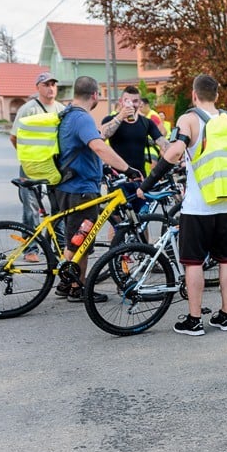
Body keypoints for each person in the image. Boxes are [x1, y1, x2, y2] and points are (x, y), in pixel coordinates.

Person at [137, 73, 227, 335]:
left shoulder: (189, 119)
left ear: (194, 95)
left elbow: (174, 152)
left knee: (193, 263)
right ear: (217, 96)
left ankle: (195, 320)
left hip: (198, 206)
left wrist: (146, 185)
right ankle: (226, 316)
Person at [54, 76, 143, 302]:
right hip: (80, 188)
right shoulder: (81, 118)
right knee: (81, 239)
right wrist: (126, 169)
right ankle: (76, 287)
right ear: (94, 95)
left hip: (71, 184)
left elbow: (83, 150)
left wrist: (102, 169)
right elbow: (98, 146)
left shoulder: (67, 114)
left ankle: (68, 283)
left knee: (76, 237)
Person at [9, 71, 62, 262]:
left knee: (59, 207)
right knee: (30, 208)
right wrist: (27, 158)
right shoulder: (28, 109)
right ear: (38, 87)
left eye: (53, 84)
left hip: (54, 166)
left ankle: (60, 245)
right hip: (31, 167)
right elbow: (14, 137)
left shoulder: (61, 109)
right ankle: (31, 249)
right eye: (46, 84)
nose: (51, 88)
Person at [100, 86, 169, 174]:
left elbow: (162, 142)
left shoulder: (146, 122)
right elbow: (101, 137)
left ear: (140, 103)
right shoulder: (110, 119)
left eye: (135, 101)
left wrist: (177, 150)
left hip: (139, 176)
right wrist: (121, 116)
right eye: (127, 101)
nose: (131, 104)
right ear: (121, 102)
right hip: (118, 177)